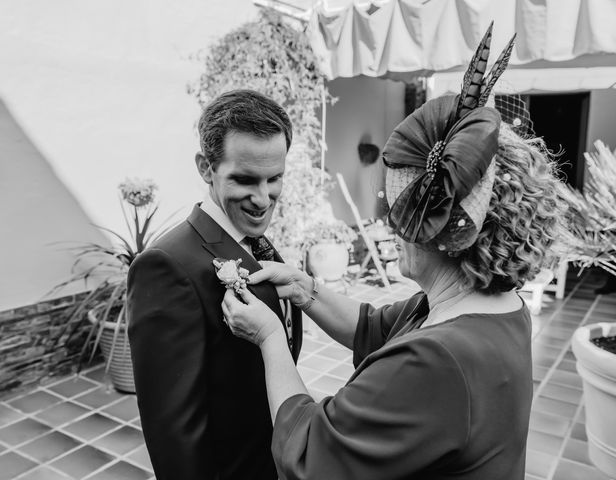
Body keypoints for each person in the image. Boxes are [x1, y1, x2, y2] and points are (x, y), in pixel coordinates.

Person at [221, 27, 566, 479]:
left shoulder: (437, 362)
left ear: (443, 234)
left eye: (400, 214)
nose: (388, 224)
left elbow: (308, 455)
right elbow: (373, 327)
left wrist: (269, 339)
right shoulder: (489, 308)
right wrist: (306, 291)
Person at [126, 89, 303, 480]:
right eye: (244, 180)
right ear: (206, 168)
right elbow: (174, 434)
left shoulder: (259, 244)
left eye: (275, 178)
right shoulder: (165, 266)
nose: (263, 198)